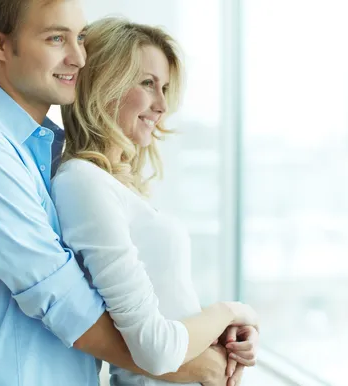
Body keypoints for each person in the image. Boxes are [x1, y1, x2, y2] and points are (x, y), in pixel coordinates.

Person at [0, 0, 254, 385]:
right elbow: (69, 309)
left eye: (80, 38)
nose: (79, 58)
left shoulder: (43, 152)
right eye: (55, 38)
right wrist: (193, 361)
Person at [52, 17, 259, 386]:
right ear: (104, 84)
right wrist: (230, 311)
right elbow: (155, 348)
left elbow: (168, 306)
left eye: (164, 87)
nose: (162, 105)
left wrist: (229, 333)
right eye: (148, 84)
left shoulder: (115, 186)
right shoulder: (83, 182)